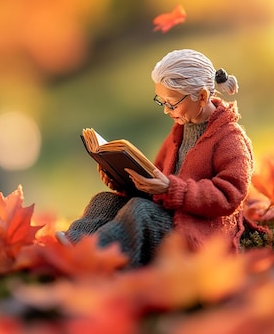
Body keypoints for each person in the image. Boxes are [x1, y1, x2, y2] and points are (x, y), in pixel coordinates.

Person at [56, 49, 254, 269]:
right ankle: (71, 243)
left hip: (197, 227)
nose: (166, 111)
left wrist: (172, 189)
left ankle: (98, 259)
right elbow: (155, 175)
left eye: (172, 103)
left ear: (202, 96)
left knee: (140, 212)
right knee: (105, 200)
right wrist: (123, 179)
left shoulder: (230, 138)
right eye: (162, 102)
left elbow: (230, 195)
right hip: (169, 210)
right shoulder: (179, 131)